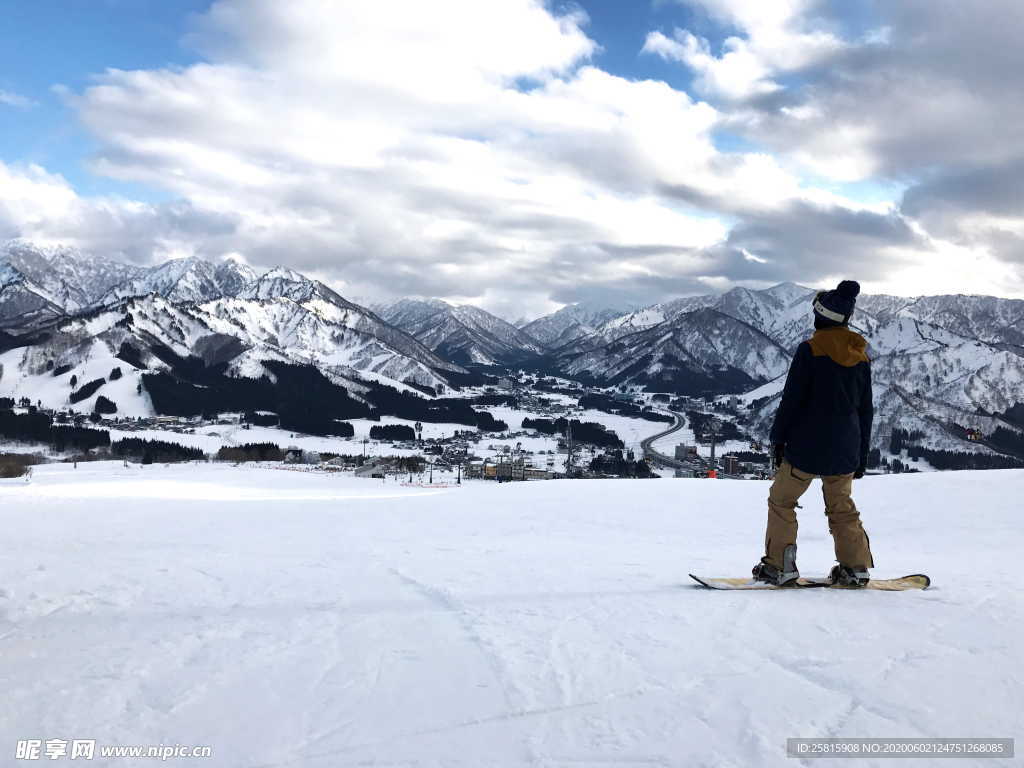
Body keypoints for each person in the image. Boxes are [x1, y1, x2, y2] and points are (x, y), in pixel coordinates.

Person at [752, 280, 874, 587]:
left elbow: (792, 400)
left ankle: (779, 566)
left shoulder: (810, 350)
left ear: (820, 317)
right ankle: (855, 567)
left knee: (782, 501)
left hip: (806, 446)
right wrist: (860, 456)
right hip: (845, 447)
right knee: (842, 508)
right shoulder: (859, 356)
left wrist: (778, 439)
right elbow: (865, 411)